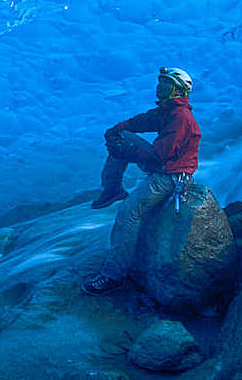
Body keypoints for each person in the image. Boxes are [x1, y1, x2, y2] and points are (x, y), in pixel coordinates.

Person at [82, 67, 201, 295]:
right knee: (123, 138)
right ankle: (113, 189)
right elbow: (145, 120)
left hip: (170, 176)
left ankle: (113, 275)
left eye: (165, 84)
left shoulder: (180, 117)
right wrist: (118, 130)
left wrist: (126, 152)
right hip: (165, 166)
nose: (159, 87)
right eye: (160, 83)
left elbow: (159, 155)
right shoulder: (169, 111)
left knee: (130, 213)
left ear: (177, 90)